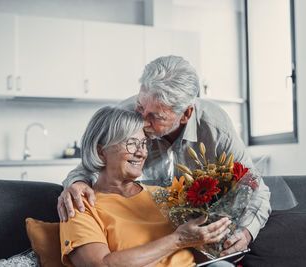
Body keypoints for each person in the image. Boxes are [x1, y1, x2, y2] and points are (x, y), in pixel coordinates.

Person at [58, 55, 271, 257]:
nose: (142, 121)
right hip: (144, 235)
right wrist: (76, 183)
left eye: (156, 116)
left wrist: (245, 233)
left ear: (186, 113)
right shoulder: (127, 115)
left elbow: (254, 187)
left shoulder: (215, 127)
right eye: (141, 106)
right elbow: (90, 163)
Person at [60, 106, 235, 267]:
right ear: (100, 152)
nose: (142, 152)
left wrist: (213, 237)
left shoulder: (166, 195)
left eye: (143, 143)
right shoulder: (80, 205)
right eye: (130, 143)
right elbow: (100, 265)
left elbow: (199, 256)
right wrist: (178, 239)